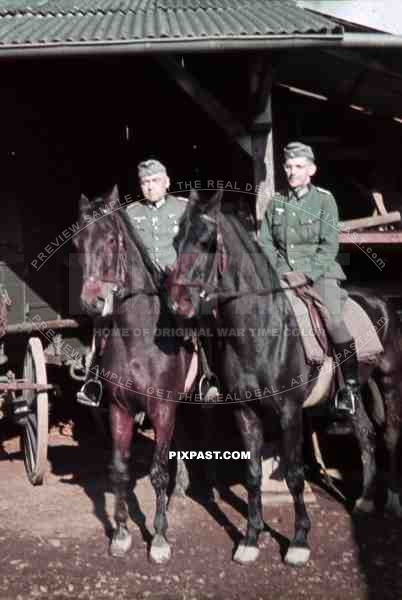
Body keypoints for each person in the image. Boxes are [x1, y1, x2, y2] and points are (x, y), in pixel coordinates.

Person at [77, 159, 216, 407]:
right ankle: (94, 379)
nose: (150, 187)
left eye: (155, 181)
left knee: (201, 315)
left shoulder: (183, 208)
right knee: (104, 318)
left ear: (167, 182)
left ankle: (208, 377)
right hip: (139, 284)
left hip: (175, 281)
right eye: (145, 182)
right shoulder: (131, 213)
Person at [258, 142, 360, 416]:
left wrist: (307, 274)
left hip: (320, 273)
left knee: (334, 320)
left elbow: (329, 245)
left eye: (299, 167)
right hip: (283, 274)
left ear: (311, 170)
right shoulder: (277, 202)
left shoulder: (324, 200)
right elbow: (266, 242)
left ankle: (349, 388)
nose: (292, 172)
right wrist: (281, 270)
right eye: (289, 166)